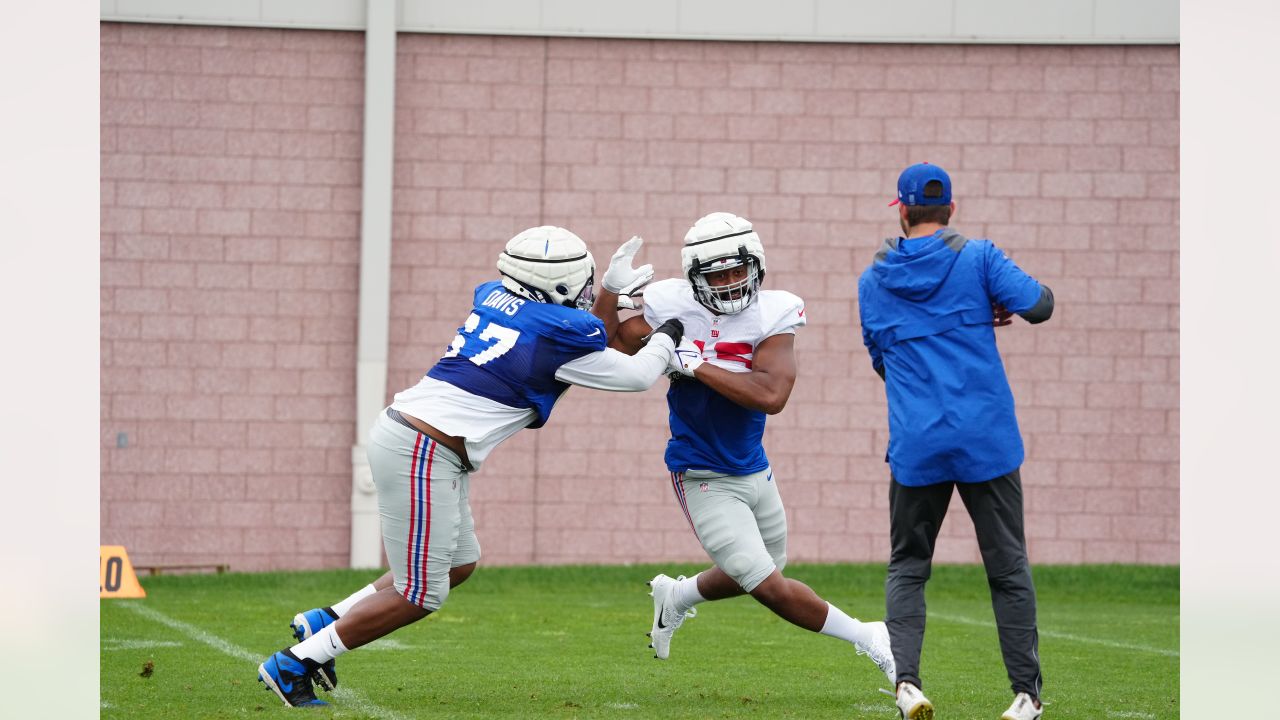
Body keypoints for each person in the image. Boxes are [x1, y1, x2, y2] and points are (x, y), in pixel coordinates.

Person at [256, 226, 679, 707]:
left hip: (420, 440)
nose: (587, 292)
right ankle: (296, 661)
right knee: (420, 593)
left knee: (458, 564)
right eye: (583, 283)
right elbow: (637, 374)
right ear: (557, 286)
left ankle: (326, 619)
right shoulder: (554, 335)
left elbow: (586, 338)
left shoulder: (499, 297)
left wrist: (607, 292)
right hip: (422, 448)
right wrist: (670, 332)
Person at [604, 212, 896, 686]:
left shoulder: (773, 311)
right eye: (716, 274)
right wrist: (609, 294)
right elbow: (606, 344)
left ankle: (675, 597)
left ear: (755, 265)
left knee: (763, 570)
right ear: (694, 278)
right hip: (701, 473)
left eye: (737, 269)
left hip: (755, 469)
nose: (730, 282)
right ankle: (869, 636)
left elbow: (771, 396)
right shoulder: (669, 303)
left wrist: (694, 364)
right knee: (768, 586)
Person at [857, 163, 1055, 720]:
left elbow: (884, 364)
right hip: (986, 440)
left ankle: (908, 685)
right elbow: (1040, 305)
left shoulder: (872, 281)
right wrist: (991, 308)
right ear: (953, 210)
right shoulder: (980, 257)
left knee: (909, 565)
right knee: (1007, 567)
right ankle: (1025, 696)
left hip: (918, 443)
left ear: (900, 210)